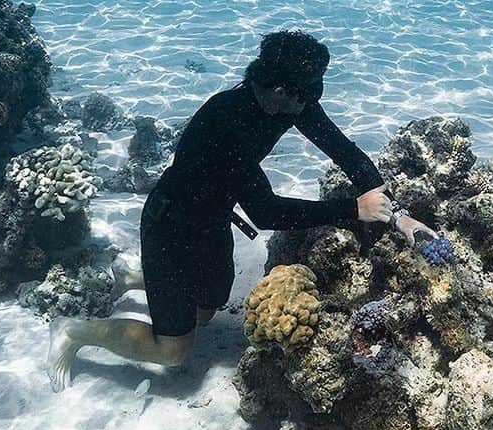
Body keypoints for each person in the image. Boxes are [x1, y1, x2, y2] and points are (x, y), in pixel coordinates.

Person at [47, 30, 429, 391]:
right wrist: (353, 208)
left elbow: (343, 150)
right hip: (171, 227)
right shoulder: (226, 122)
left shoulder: (288, 105)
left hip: (212, 221)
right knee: (173, 350)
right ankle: (74, 331)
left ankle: (134, 278)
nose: (311, 104)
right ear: (281, 89)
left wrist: (396, 213)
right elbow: (265, 213)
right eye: (307, 96)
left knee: (206, 310)